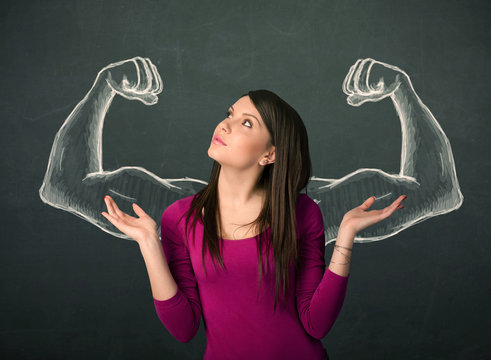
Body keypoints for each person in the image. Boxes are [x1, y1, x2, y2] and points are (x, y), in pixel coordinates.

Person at [101, 89, 407, 359]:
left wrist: (346, 236)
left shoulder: (301, 212)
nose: (225, 125)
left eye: (247, 123)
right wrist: (149, 245)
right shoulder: (179, 219)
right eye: (230, 115)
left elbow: (316, 323)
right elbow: (184, 328)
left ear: (270, 154)